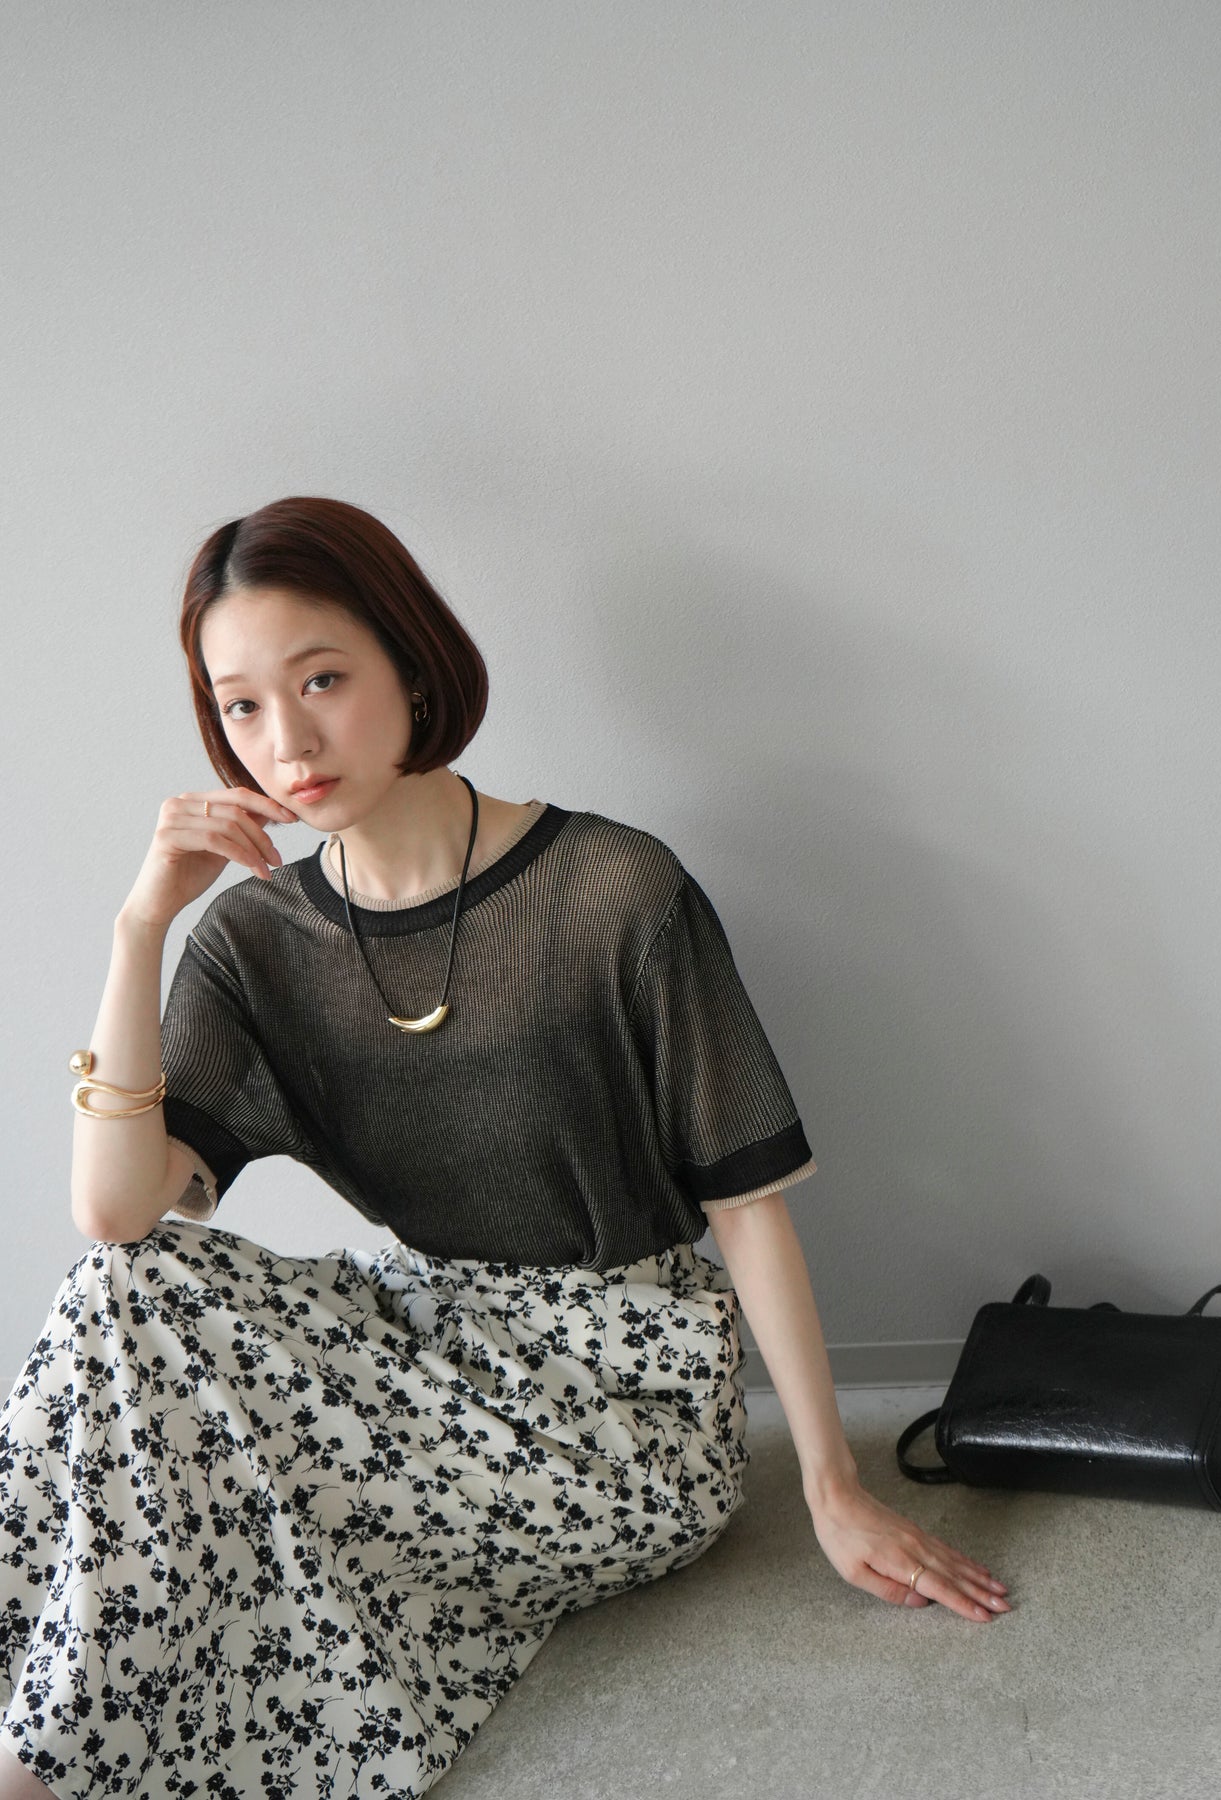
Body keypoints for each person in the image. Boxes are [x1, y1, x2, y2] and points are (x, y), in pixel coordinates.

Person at [0, 496, 1010, 1798]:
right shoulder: (253, 942)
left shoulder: (612, 890)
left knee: (205, 1483)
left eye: (322, 680)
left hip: (624, 1406)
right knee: (125, 1298)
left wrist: (831, 1485)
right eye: (241, 706)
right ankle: (44, 1742)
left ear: (412, 667)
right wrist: (138, 932)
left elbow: (747, 1205)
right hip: (428, 1345)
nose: (287, 741)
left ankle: (38, 1767)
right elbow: (116, 1216)